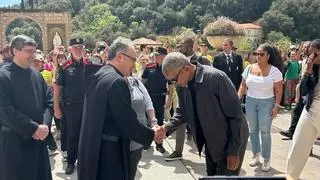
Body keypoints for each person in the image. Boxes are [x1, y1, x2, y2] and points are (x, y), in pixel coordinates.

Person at [78, 37, 163, 180]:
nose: (134, 65)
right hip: (109, 154)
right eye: (133, 60)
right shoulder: (117, 82)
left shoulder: (99, 74)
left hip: (93, 147)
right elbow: (128, 122)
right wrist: (152, 134)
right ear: (120, 57)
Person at [160, 52, 249, 176]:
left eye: (174, 80)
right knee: (212, 175)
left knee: (226, 176)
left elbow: (236, 116)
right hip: (211, 140)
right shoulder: (182, 86)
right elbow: (182, 111)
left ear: (186, 68)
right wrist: (166, 127)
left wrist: (234, 151)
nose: (174, 84)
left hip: (230, 139)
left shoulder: (216, 78)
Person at [0, 35, 52, 180]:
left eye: (34, 51)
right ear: (15, 51)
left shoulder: (36, 74)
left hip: (39, 139)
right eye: (29, 51)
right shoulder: (3, 76)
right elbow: (4, 110)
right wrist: (33, 128)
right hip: (15, 142)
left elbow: (48, 102)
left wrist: (45, 126)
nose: (33, 55)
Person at [238, 43, 283, 172]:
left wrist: (276, 106)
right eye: (256, 53)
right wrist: (237, 99)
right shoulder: (249, 68)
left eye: (261, 54)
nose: (258, 56)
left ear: (268, 56)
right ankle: (255, 154)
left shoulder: (275, 71)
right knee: (253, 131)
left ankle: (266, 158)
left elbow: (279, 91)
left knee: (265, 132)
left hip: (267, 103)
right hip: (250, 102)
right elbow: (242, 85)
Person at [165, 36, 210, 162]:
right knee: (180, 123)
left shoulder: (202, 60)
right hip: (182, 97)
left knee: (204, 124)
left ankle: (209, 149)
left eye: (182, 45)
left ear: (190, 46)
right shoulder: (178, 60)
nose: (179, 47)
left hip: (198, 99)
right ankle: (178, 151)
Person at [286, 39, 320, 180]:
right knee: (297, 146)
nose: (312, 56)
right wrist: (308, 71)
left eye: (315, 53)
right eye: (310, 53)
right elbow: (305, 90)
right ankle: (291, 176)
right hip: (311, 108)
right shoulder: (310, 66)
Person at [54, 38, 86, 174]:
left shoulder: (89, 65)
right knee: (72, 135)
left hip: (87, 107)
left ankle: (85, 160)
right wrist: (56, 108)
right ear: (70, 49)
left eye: (80, 47)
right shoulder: (65, 67)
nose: (78, 49)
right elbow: (57, 89)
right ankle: (71, 162)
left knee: (86, 134)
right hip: (70, 107)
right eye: (75, 47)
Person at [142, 47, 173, 153]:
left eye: (158, 55)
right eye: (155, 54)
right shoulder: (148, 66)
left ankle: (159, 144)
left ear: (164, 56)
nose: (155, 56)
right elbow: (143, 81)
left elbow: (170, 86)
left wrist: (169, 100)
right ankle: (146, 142)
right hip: (148, 98)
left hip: (160, 98)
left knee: (159, 121)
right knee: (146, 120)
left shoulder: (167, 68)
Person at [126, 75, 158, 179]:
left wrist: (154, 123)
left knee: (131, 169)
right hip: (118, 139)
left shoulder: (136, 82)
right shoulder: (110, 80)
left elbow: (148, 103)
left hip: (137, 138)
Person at [280, 41, 311, 139]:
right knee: (296, 111)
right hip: (302, 89)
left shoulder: (315, 61)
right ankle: (292, 131)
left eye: (307, 47)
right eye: (303, 47)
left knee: (306, 115)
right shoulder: (304, 61)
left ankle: (306, 140)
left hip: (310, 91)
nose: (304, 49)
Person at [33, 54, 58, 155]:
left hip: (43, 111)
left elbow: (49, 99)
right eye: (34, 62)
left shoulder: (43, 74)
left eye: (37, 62)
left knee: (44, 130)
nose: (35, 64)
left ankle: (52, 146)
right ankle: (52, 145)